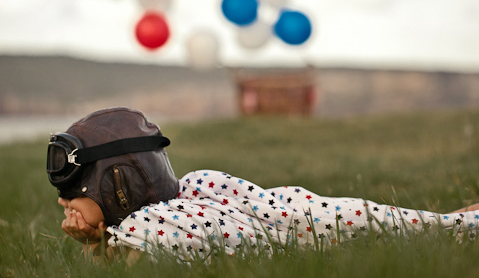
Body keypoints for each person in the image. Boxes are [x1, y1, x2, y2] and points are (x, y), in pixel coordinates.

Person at [48, 107, 479, 262]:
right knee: (373, 220)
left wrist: (95, 247)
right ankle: (452, 222)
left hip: (311, 233)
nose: (64, 204)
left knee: (368, 225)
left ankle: (456, 224)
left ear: (114, 186)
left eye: (71, 193)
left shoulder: (147, 228)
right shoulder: (193, 188)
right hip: (308, 227)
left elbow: (130, 269)